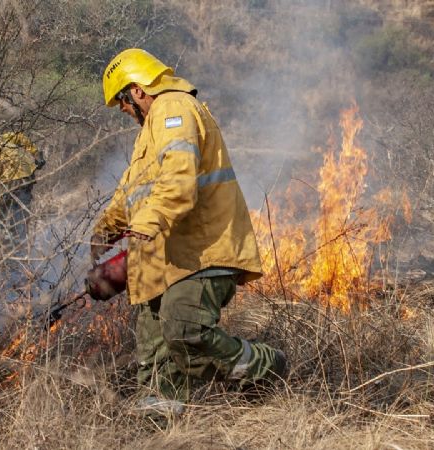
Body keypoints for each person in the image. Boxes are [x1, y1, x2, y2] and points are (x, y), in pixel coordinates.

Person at [92, 48, 288, 414]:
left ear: (137, 90)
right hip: (162, 264)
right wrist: (102, 233)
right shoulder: (148, 134)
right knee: (156, 364)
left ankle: (265, 367)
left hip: (200, 253)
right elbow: (129, 194)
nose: (121, 110)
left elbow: (179, 182)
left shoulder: (174, 109)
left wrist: (144, 225)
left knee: (184, 328)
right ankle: (160, 428)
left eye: (120, 100)